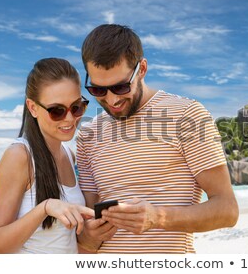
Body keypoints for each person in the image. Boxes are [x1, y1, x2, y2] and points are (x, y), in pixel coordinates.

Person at [76, 24, 239, 254]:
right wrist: (87, 236)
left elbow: (227, 210)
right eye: (98, 90)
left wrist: (158, 217)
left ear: (142, 69)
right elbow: (87, 230)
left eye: (121, 87)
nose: (111, 100)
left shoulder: (187, 115)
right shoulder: (88, 134)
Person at [0, 58, 95, 253]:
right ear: (33, 108)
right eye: (57, 111)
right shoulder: (19, 156)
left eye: (77, 107)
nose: (70, 118)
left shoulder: (69, 155)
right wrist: (44, 208)